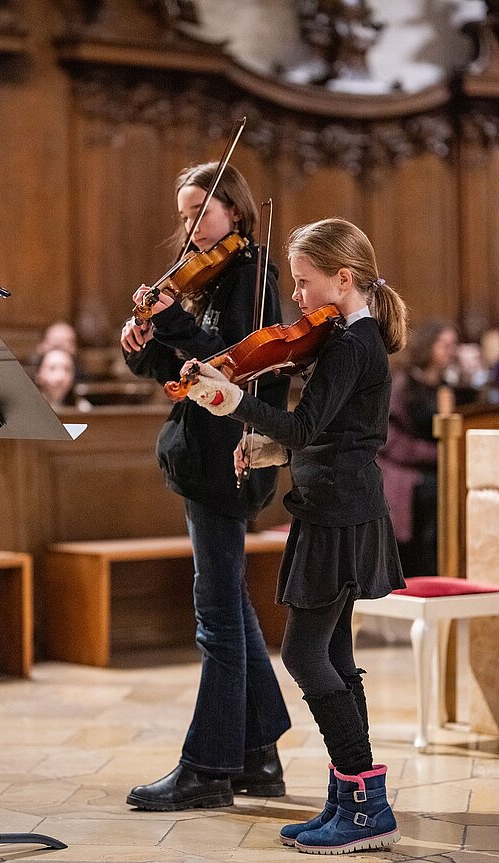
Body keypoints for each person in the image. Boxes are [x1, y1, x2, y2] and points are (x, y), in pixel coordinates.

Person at [179, 217, 407, 854]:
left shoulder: (353, 344)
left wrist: (231, 402)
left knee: (306, 657)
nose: (298, 297)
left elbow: (308, 429)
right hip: (336, 506)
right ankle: (350, 795)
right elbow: (333, 435)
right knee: (331, 656)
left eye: (305, 283)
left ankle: (366, 803)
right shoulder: (347, 340)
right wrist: (267, 448)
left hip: (339, 515)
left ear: (343, 278)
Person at [120, 161, 291, 811]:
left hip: (228, 461)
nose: (189, 225)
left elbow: (232, 367)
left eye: (201, 211)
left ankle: (208, 768)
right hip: (205, 456)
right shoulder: (213, 279)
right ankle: (258, 755)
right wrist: (143, 342)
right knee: (230, 610)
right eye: (184, 213)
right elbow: (184, 369)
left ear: (236, 214)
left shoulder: (251, 276)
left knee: (216, 617)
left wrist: (172, 323)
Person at [378, 319, 458, 578]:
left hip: (439, 466)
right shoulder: (403, 385)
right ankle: (426, 573)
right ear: (428, 346)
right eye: (444, 345)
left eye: (453, 345)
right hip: (403, 472)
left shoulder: (447, 389)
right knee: (435, 492)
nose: (450, 351)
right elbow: (391, 440)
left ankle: (449, 569)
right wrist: (439, 455)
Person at [35, 347, 91, 413]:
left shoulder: (83, 408)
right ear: (39, 374)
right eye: (52, 368)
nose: (60, 376)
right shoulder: (29, 406)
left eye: (67, 369)